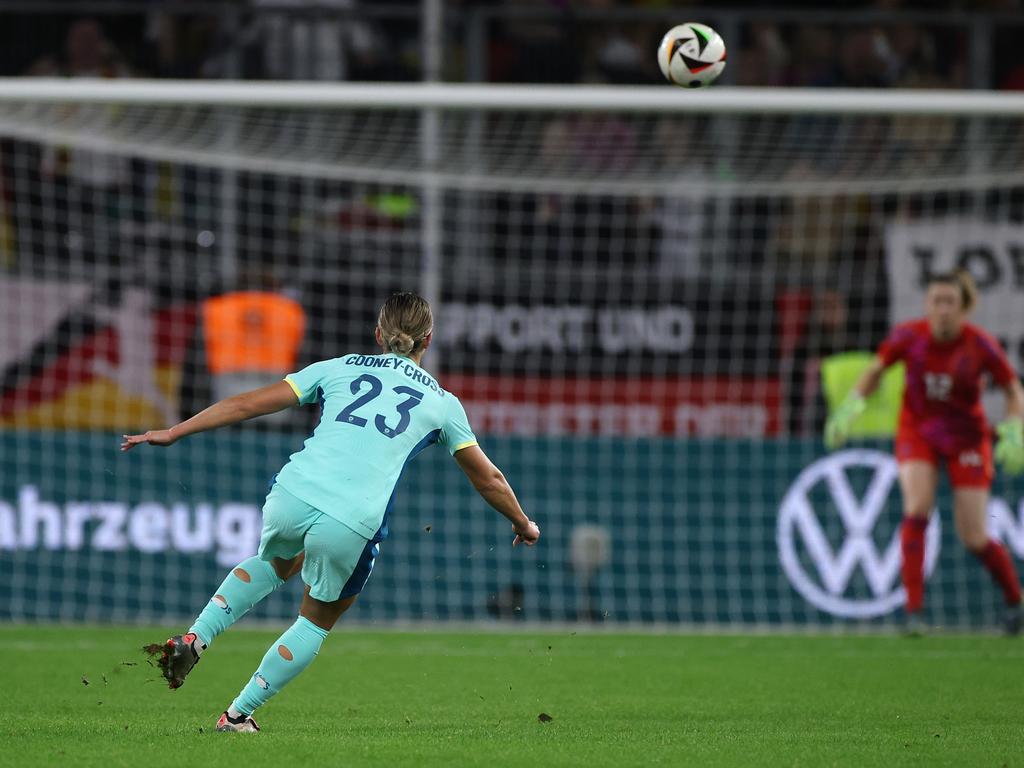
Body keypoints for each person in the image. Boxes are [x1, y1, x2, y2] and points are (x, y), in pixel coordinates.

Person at [122, 292, 540, 732]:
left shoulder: (338, 367)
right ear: (428, 340)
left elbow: (246, 404)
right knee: (315, 619)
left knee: (277, 563)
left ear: (377, 333)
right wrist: (522, 522)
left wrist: (176, 430)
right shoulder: (442, 403)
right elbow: (487, 478)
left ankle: (194, 637)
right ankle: (236, 716)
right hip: (352, 518)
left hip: (292, 492)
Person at [825, 270, 1024, 635]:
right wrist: (850, 407)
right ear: (927, 305)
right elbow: (876, 369)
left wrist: (1013, 430)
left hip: (966, 437)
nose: (943, 309)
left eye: (950, 302)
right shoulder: (909, 336)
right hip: (918, 431)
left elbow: (1013, 389)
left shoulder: (979, 344)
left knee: (975, 536)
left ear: (963, 308)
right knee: (917, 507)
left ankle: (1016, 601)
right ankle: (914, 611)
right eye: (937, 301)